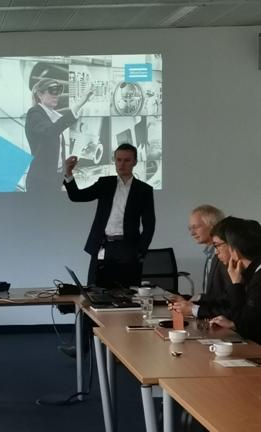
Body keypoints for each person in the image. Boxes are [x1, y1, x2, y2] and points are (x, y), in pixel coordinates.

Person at [63, 143, 155, 288]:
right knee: (95, 291)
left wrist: (140, 251)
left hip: (128, 248)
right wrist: (68, 173)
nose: (122, 164)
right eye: (118, 160)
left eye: (127, 160)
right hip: (102, 245)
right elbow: (77, 196)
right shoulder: (105, 183)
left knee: (127, 293)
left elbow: (149, 224)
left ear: (135, 162)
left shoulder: (144, 190)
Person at [24, 78, 93, 192]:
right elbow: (51, 132)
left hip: (54, 180)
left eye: (58, 91)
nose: (56, 95)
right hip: (40, 183)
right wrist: (78, 104)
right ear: (40, 94)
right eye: (52, 90)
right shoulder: (34, 113)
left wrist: (63, 178)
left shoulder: (51, 116)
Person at [169, 206, 231, 318]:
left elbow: (229, 303)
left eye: (196, 227)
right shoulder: (210, 255)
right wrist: (188, 301)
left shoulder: (226, 257)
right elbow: (214, 297)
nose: (192, 233)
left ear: (213, 226)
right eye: (190, 228)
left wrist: (193, 309)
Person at [209, 218, 261, 344]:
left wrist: (236, 285)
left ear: (235, 251)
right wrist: (233, 324)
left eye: (218, 246)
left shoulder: (258, 279)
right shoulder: (254, 272)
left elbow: (245, 328)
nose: (216, 252)